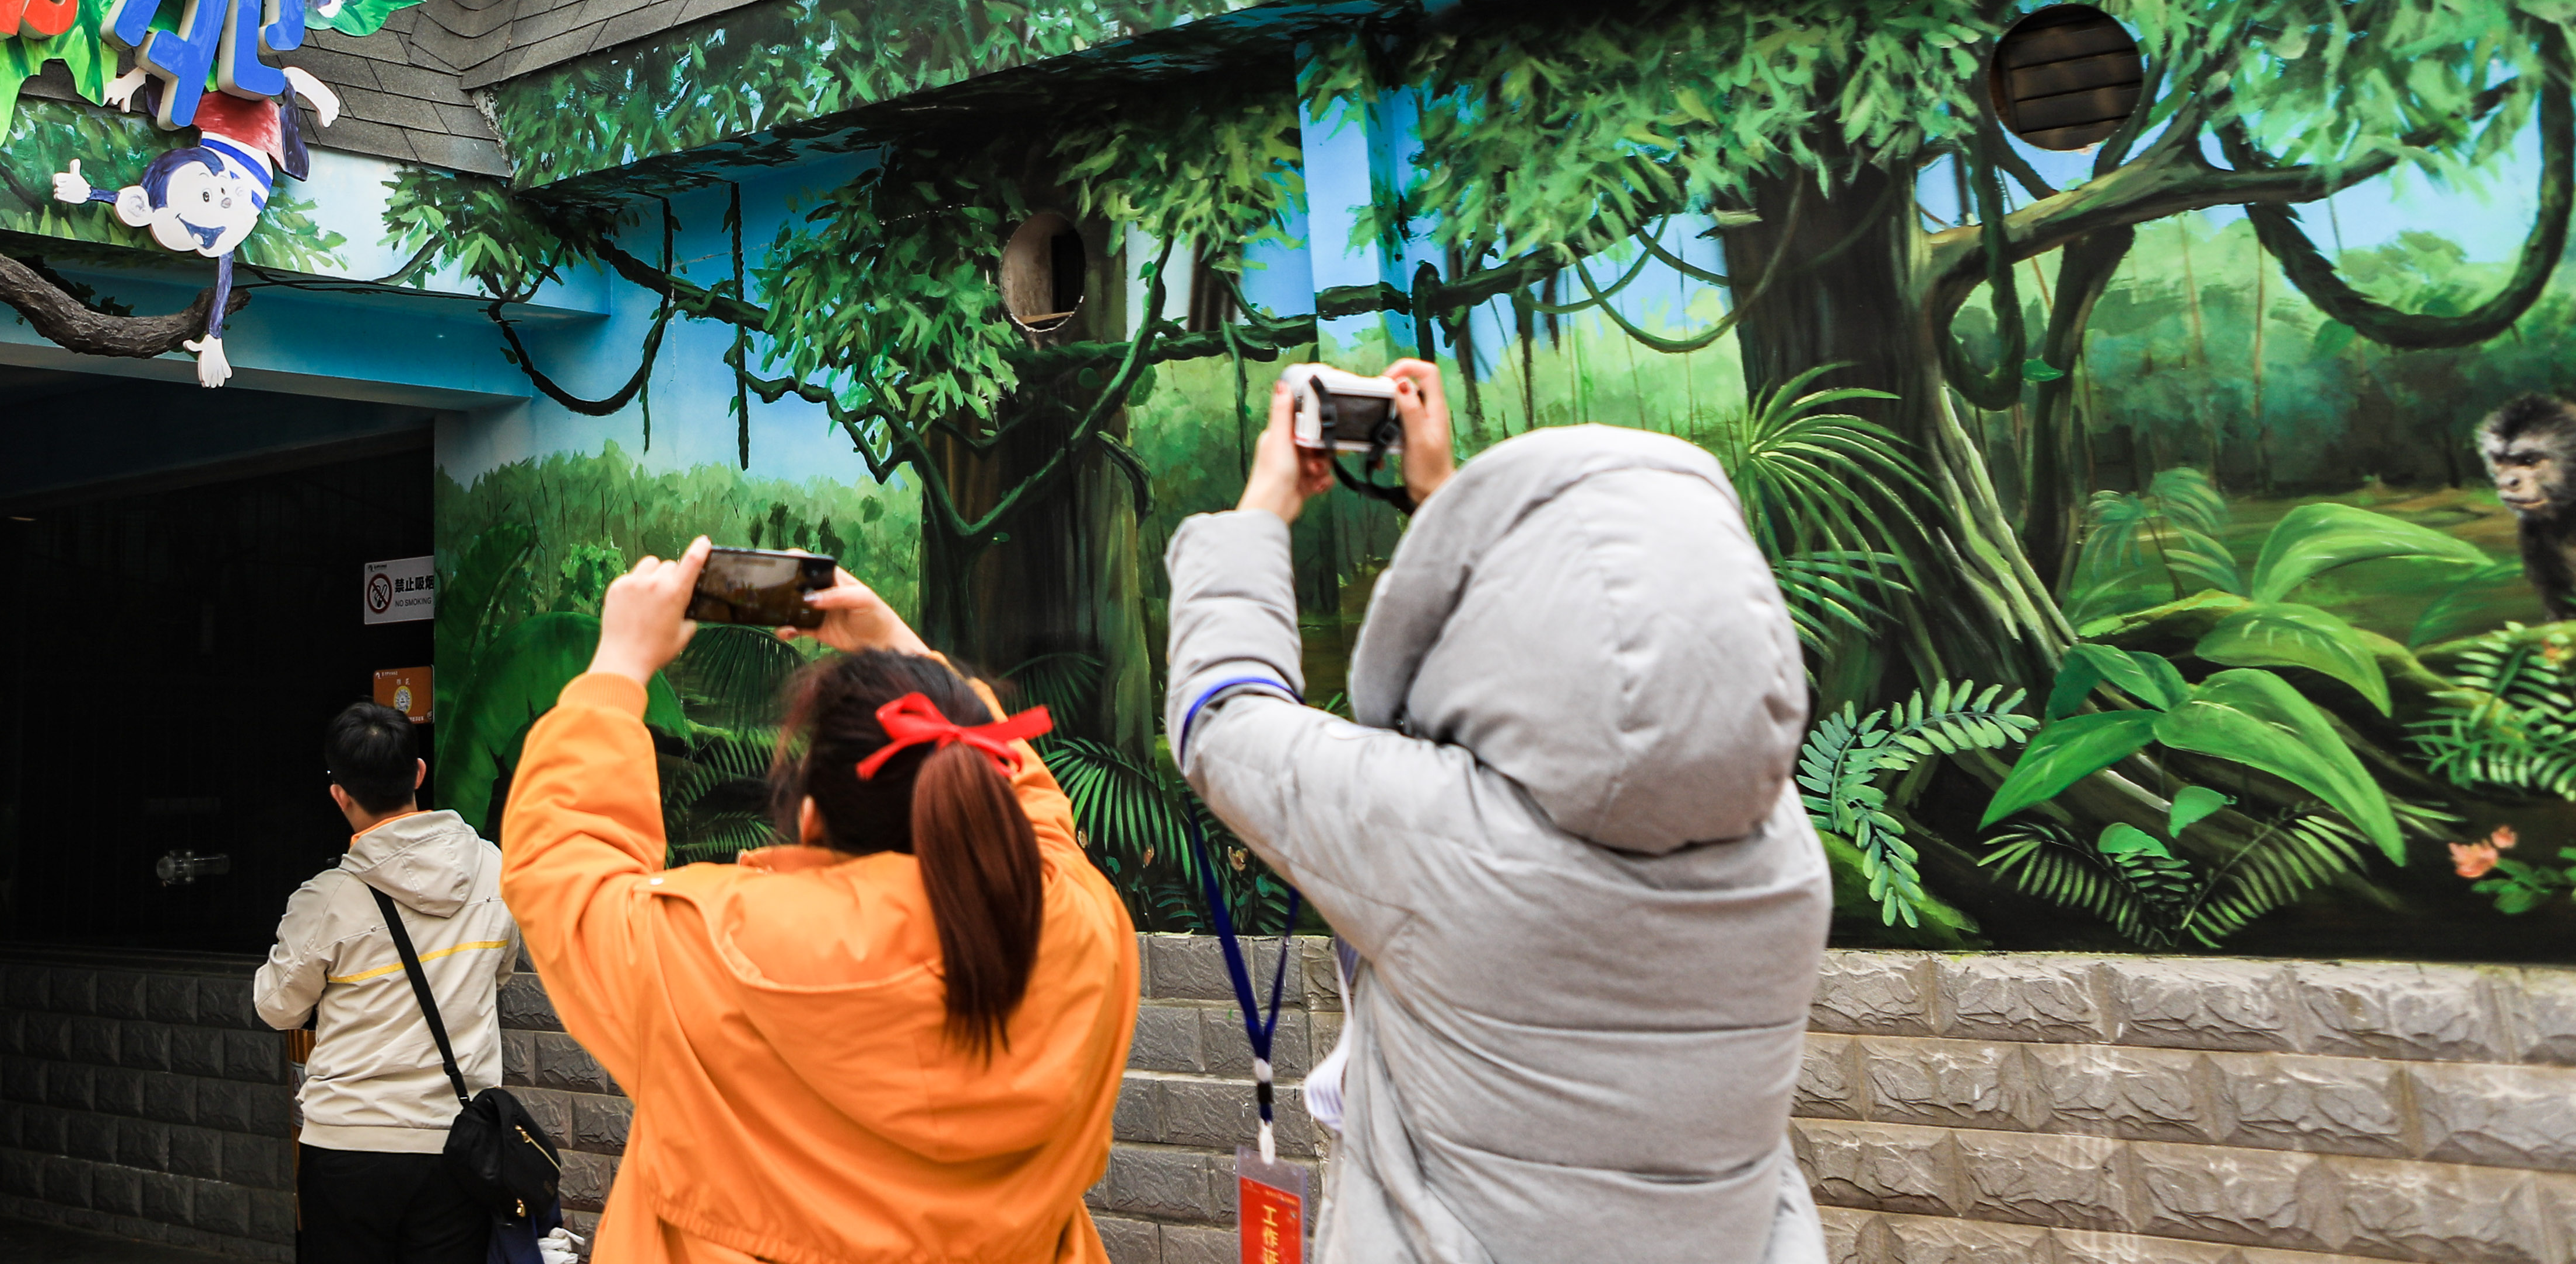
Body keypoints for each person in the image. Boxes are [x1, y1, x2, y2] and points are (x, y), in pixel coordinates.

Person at [1164, 357, 1830, 1263]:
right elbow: (1625, 683)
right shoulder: (1787, 860)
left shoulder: (1438, 835)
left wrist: (1262, 509)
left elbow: (1223, 716)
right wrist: (1444, 501)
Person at [504, 539, 1139, 1264]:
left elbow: (563, 866)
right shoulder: (1078, 930)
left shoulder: (704, 954)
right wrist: (898, 646)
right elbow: (1034, 812)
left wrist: (619, 664)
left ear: (810, 820)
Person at [252, 698, 521, 1264]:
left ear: (339, 795)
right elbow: (499, 972)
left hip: (349, 1146)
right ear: (419, 773)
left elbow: (277, 1008)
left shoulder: (325, 900)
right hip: (458, 1145)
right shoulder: (494, 871)